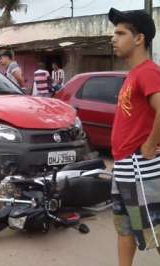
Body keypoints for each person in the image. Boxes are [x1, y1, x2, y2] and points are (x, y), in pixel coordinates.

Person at [108, 7, 160, 266]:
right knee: (126, 226)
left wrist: (151, 144)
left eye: (120, 33)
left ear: (139, 39)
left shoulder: (148, 71)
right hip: (124, 168)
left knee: (155, 228)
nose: (113, 38)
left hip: (142, 169)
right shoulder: (133, 74)